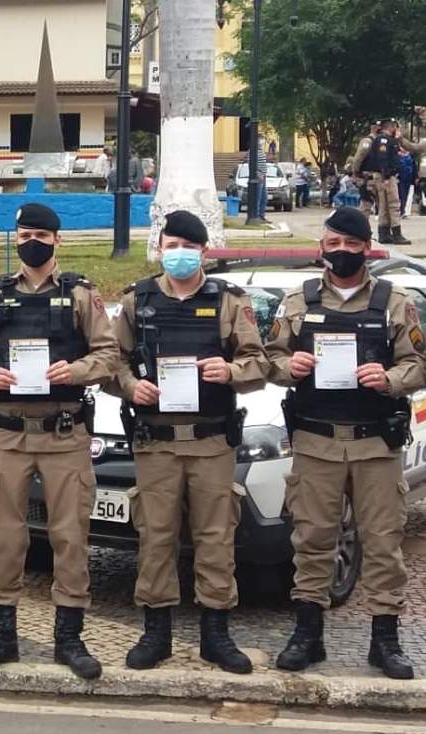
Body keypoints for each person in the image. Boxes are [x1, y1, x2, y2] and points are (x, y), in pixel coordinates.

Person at [266, 207, 424, 680]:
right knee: (312, 539)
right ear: (322, 248)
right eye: (332, 244)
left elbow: (418, 363)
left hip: (375, 444)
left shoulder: (395, 302)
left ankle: (385, 639)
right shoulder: (299, 299)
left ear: (366, 248)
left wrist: (390, 378)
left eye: (350, 245)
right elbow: (269, 357)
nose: (340, 253)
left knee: (382, 543)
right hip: (316, 442)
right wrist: (286, 367)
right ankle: (308, 634)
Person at [109, 210, 268, 675]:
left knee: (215, 537)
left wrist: (231, 372)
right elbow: (109, 361)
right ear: (160, 247)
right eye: (171, 243)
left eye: (188, 245)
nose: (178, 252)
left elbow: (259, 361)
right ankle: (155, 633)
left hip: (211, 441)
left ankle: (215, 635)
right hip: (156, 442)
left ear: (204, 251)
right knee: (154, 536)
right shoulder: (138, 301)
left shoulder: (228, 302)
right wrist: (129, 386)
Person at [0, 203, 117, 679]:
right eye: (24, 233)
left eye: (41, 235)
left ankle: (69, 639)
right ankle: (0, 637)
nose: (32, 241)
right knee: (5, 538)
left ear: (57, 241)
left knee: (70, 537)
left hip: (64, 432)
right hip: (8, 434)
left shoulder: (79, 295)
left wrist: (76, 370)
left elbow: (109, 353)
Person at [353, 119, 409, 244]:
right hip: (379, 176)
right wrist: (356, 172)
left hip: (377, 176)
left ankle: (384, 233)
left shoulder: (378, 140)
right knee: (389, 204)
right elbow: (363, 157)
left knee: (383, 205)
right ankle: (394, 234)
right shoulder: (378, 140)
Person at [397, 148, 416, 219]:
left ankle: (403, 211)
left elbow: (414, 167)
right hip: (400, 179)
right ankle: (401, 211)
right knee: (401, 195)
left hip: (408, 179)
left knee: (406, 195)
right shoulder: (397, 155)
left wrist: (415, 177)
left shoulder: (410, 155)